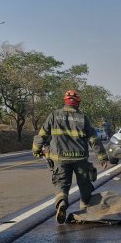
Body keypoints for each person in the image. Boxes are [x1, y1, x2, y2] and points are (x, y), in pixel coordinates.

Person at [32, 90, 108, 224]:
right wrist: (102, 157)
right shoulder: (83, 118)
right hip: (80, 159)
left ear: (65, 101)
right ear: (78, 103)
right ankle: (85, 208)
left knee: (61, 183)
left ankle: (62, 201)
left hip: (60, 158)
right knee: (84, 184)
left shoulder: (54, 115)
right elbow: (94, 139)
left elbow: (42, 134)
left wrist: (36, 149)